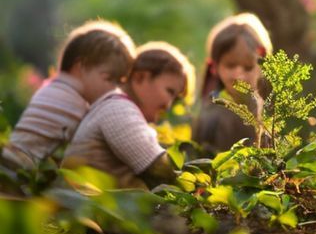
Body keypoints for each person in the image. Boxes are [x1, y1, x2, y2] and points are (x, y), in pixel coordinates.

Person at [2, 20, 136, 169]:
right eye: (109, 79)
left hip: (10, 156)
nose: (113, 89)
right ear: (81, 66)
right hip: (20, 169)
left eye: (118, 82)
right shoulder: (74, 102)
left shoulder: (51, 89)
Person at [62, 42, 195, 189]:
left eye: (175, 98)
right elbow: (160, 173)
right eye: (169, 91)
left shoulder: (113, 106)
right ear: (140, 77)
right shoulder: (118, 109)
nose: (168, 105)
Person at [192, 13, 272, 153]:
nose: (239, 75)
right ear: (215, 67)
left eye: (248, 67)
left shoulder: (271, 112)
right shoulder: (213, 118)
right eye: (230, 66)